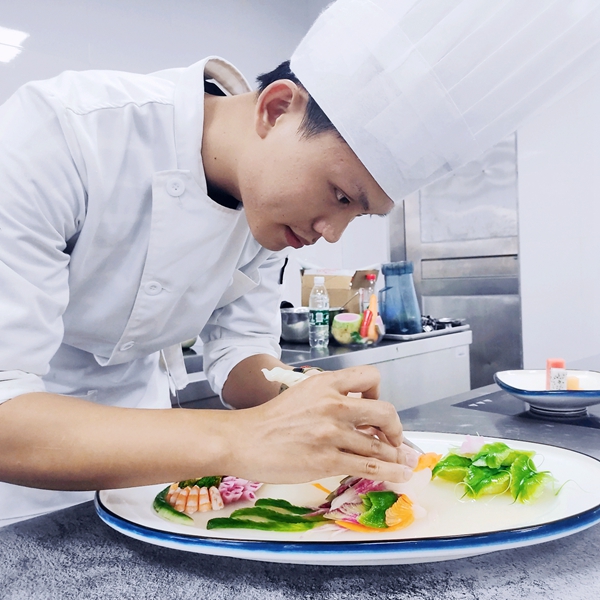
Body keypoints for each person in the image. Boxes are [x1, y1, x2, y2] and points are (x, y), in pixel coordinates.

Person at [2, 0, 600, 526]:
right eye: (339, 195)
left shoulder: (269, 210)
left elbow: (240, 353)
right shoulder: (63, 135)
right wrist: (240, 439)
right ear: (277, 108)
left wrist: (312, 396)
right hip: (21, 483)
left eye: (357, 215)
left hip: (152, 479)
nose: (330, 232)